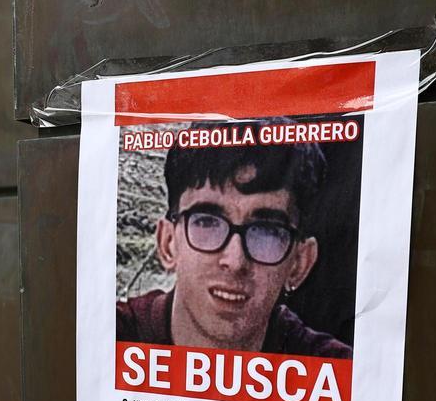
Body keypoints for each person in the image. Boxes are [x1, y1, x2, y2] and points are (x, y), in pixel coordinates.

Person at [117, 119, 352, 358]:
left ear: (300, 264)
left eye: (267, 231)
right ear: (168, 244)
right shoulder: (106, 340)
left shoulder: (339, 370)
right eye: (207, 222)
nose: (236, 260)